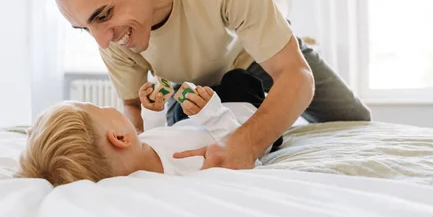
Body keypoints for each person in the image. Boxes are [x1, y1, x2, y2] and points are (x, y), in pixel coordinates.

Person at [37, 0, 371, 171]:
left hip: (254, 55)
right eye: (85, 28)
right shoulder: (110, 36)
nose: (102, 41)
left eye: (104, 15)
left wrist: (243, 144)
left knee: (355, 119)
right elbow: (133, 111)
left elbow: (295, 75)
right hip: (190, 90)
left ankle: (276, 17)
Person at [17, 70, 280, 186]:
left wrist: (153, 111)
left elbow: (158, 135)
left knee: (181, 98)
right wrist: (212, 114)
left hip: (192, 123)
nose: (110, 108)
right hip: (246, 119)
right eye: (100, 108)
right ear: (119, 138)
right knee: (237, 79)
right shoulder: (186, 165)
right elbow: (243, 156)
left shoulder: (140, 153)